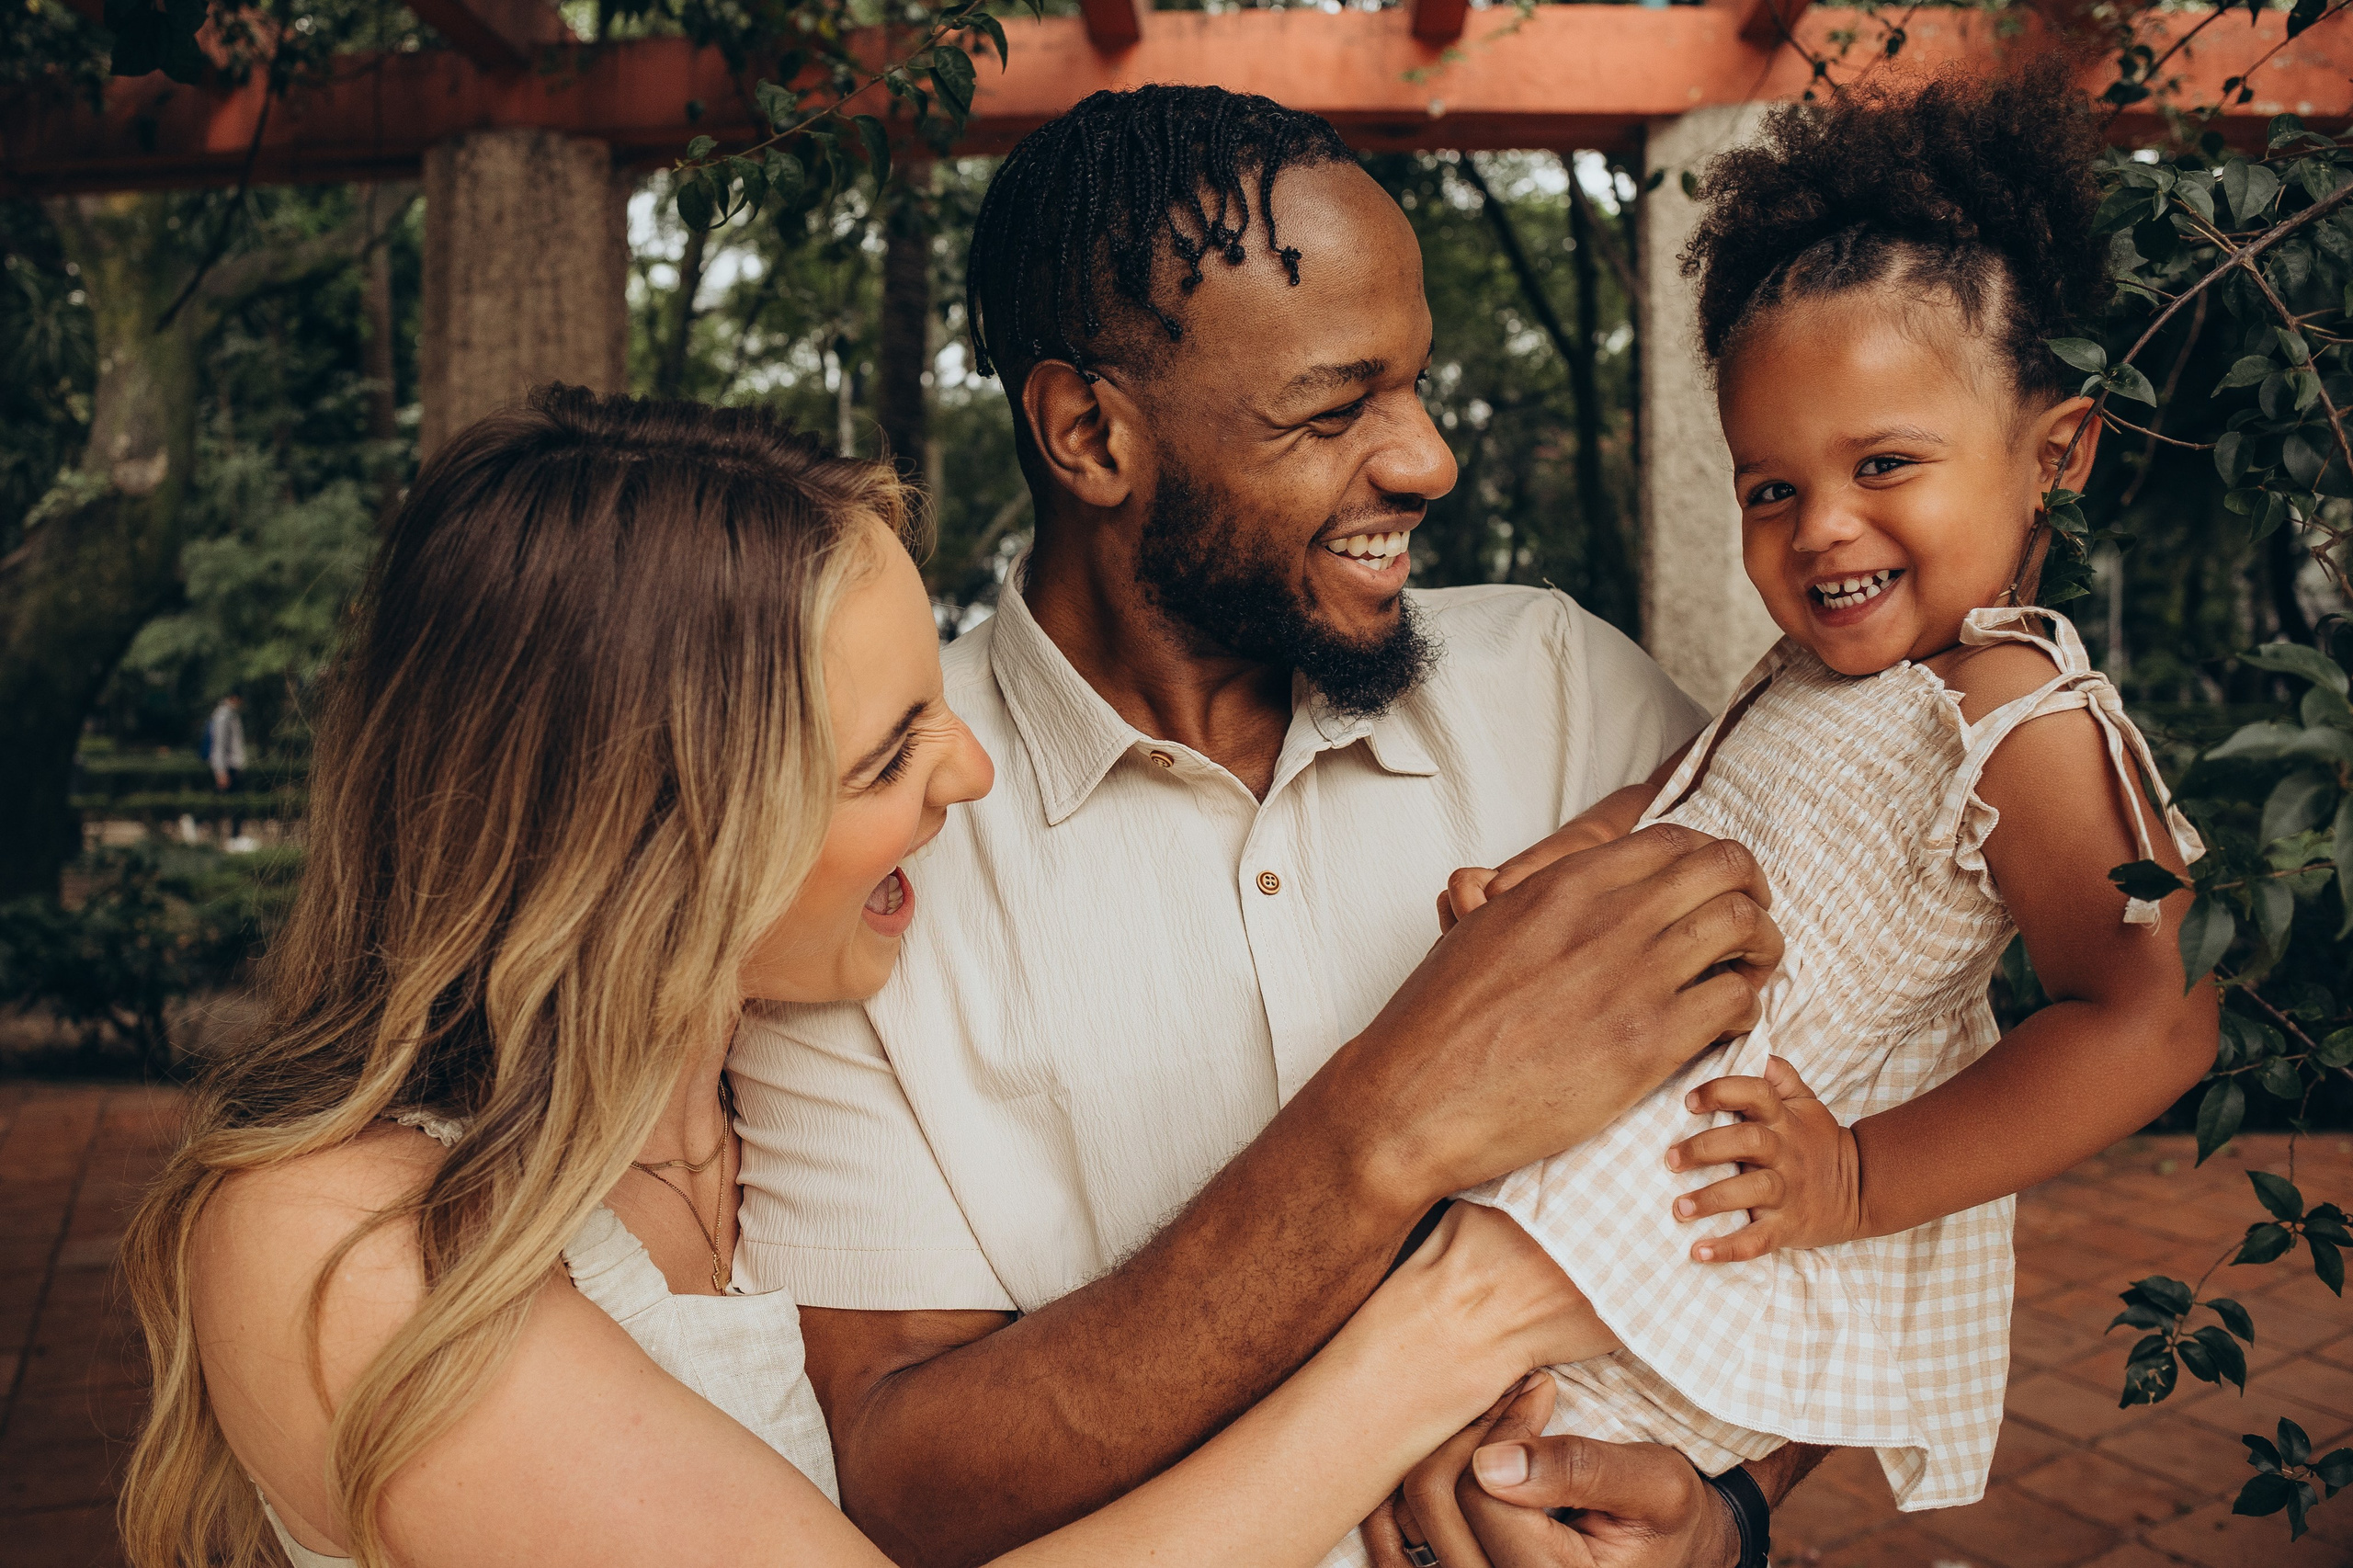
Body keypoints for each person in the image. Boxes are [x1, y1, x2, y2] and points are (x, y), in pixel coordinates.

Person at [115, 388, 1634, 1568]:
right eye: (887, 753)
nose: (968, 770)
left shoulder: (768, 1084)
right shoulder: (335, 1241)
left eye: (941, 701)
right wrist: (1453, 1320)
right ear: (652, 840)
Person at [731, 85, 1821, 1568]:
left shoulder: (1562, 689)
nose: (1427, 459)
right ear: (1089, 433)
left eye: (1415, 385)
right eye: (1333, 408)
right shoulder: (869, 842)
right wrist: (1388, 1121)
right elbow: (903, 1480)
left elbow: (1854, 1151)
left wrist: (1729, 1509)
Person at [1397, 67, 2218, 1551]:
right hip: (1609, 1197)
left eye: (1885, 464)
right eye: (1770, 487)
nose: (1822, 526)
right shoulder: (1822, 669)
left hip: (1727, 1235)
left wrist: (1856, 1174)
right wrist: (1559, 865)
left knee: (1518, 1498)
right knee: (1438, 1470)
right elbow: (1695, 791)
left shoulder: (2018, 713)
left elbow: (2152, 1019)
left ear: (2059, 449)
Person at [207, 693, 247, 791]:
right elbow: (219, 744)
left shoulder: (232, 714)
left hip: (232, 765)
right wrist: (220, 771)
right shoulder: (223, 716)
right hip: (227, 767)